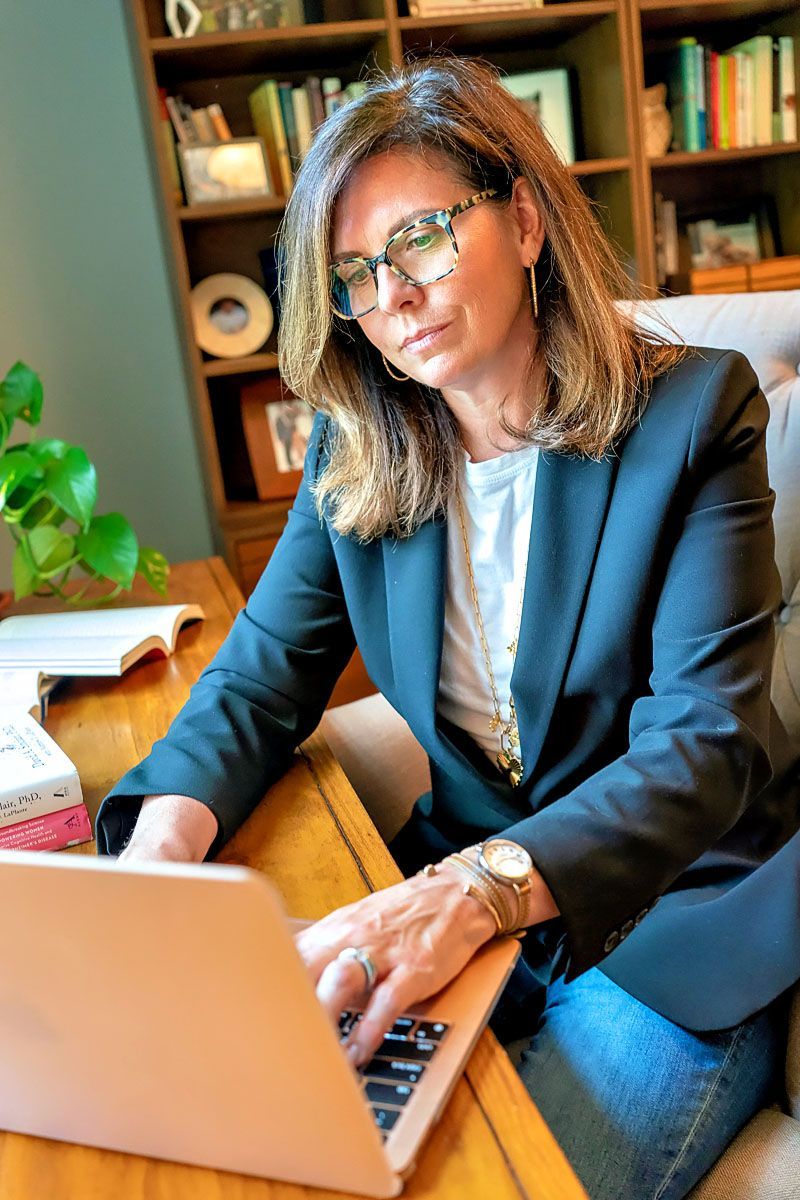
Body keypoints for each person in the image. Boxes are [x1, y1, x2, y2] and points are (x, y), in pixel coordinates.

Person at [95, 56, 800, 1200]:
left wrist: (473, 891)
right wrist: (157, 855)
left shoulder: (692, 413)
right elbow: (260, 681)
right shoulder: (357, 451)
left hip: (681, 919)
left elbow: (701, 746)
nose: (394, 296)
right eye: (355, 276)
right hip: (470, 911)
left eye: (421, 236)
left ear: (522, 219)